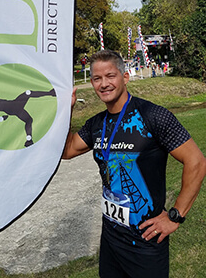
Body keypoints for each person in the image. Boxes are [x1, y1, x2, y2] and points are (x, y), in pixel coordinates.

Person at [62, 50, 206, 278]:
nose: (103, 84)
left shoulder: (154, 116)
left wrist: (175, 216)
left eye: (110, 76)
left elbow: (196, 161)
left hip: (147, 240)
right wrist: (66, 110)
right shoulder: (96, 124)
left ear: (125, 77)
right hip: (111, 239)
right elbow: (67, 150)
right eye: (97, 79)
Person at [0, 83, 56, 147]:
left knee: (29, 119)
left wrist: (0, 119)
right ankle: (50, 93)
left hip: (12, 107)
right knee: (28, 93)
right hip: (12, 106)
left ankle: (29, 139)